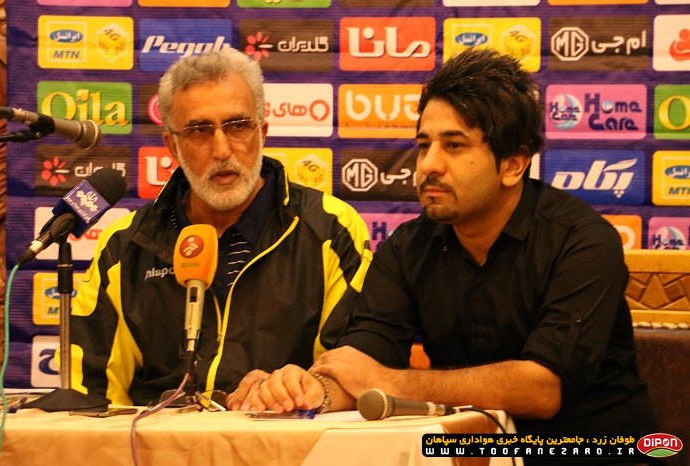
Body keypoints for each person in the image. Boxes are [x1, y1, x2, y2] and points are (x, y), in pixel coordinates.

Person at [228, 48, 658, 463]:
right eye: (423, 145)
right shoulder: (407, 248)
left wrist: (388, 382)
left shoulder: (582, 241)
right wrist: (306, 390)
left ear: (513, 165)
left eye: (453, 145)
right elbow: (363, 360)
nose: (427, 165)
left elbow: (542, 389)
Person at [69, 47, 372, 406]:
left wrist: (297, 390)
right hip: (154, 438)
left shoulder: (330, 230)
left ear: (262, 132)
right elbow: (89, 394)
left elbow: (351, 375)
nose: (222, 150)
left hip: (281, 436)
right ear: (172, 146)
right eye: (199, 130)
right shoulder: (125, 246)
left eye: (238, 126)